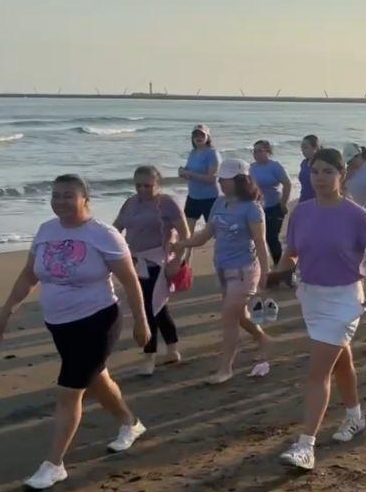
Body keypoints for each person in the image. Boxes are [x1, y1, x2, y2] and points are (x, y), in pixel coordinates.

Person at [0, 175, 151, 490]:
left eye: (68, 196)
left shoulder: (103, 235)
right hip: (59, 323)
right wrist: (6, 310)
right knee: (96, 379)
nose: (60, 201)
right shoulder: (46, 230)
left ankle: (54, 464)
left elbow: (131, 280)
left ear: (85, 199)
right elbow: (28, 274)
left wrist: (141, 321)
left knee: (69, 390)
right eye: (56, 195)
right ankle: (130, 424)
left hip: (97, 320)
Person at [272, 149, 366, 471]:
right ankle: (355, 417)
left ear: (342, 175)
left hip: (345, 299)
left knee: (318, 372)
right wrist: (277, 274)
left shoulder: (356, 215)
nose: (320, 178)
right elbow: (291, 253)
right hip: (311, 297)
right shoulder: (300, 212)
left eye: (328, 171)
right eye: (315, 171)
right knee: (342, 362)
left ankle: (306, 446)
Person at [174, 158, 273, 383]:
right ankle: (263, 338)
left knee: (229, 316)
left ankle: (225, 368)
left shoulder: (253, 209)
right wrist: (181, 244)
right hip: (222, 268)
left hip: (245, 270)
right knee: (239, 315)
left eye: (225, 179)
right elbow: (205, 235)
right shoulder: (219, 203)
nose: (221, 182)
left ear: (240, 181)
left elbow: (260, 242)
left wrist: (266, 275)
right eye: (220, 178)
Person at [113, 166, 190, 375]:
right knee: (159, 309)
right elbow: (116, 228)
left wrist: (179, 261)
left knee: (147, 308)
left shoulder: (167, 204)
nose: (142, 189)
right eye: (138, 185)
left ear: (158, 184)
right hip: (134, 260)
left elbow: (185, 234)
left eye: (148, 185)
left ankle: (149, 356)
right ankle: (172, 349)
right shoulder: (130, 203)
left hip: (158, 261)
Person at [250, 140, 292, 267]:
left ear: (267, 152)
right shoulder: (252, 167)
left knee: (271, 237)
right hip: (257, 208)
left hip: (274, 206)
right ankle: (258, 267)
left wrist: (283, 203)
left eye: (259, 151)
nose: (256, 154)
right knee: (256, 238)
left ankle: (279, 266)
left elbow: (287, 184)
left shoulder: (275, 166)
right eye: (254, 151)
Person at [179, 124, 222, 233]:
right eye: (195, 135)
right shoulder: (193, 152)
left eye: (202, 135)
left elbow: (211, 179)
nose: (198, 137)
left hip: (210, 198)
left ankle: (220, 250)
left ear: (207, 137)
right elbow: (189, 172)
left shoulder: (212, 153)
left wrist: (189, 173)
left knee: (213, 231)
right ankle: (188, 251)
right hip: (193, 196)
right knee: (188, 230)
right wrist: (182, 172)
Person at [298, 135, 321, 203]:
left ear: (315, 148)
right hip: (303, 199)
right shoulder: (304, 163)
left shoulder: (321, 165)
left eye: (305, 147)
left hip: (317, 201)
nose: (302, 150)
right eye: (302, 148)